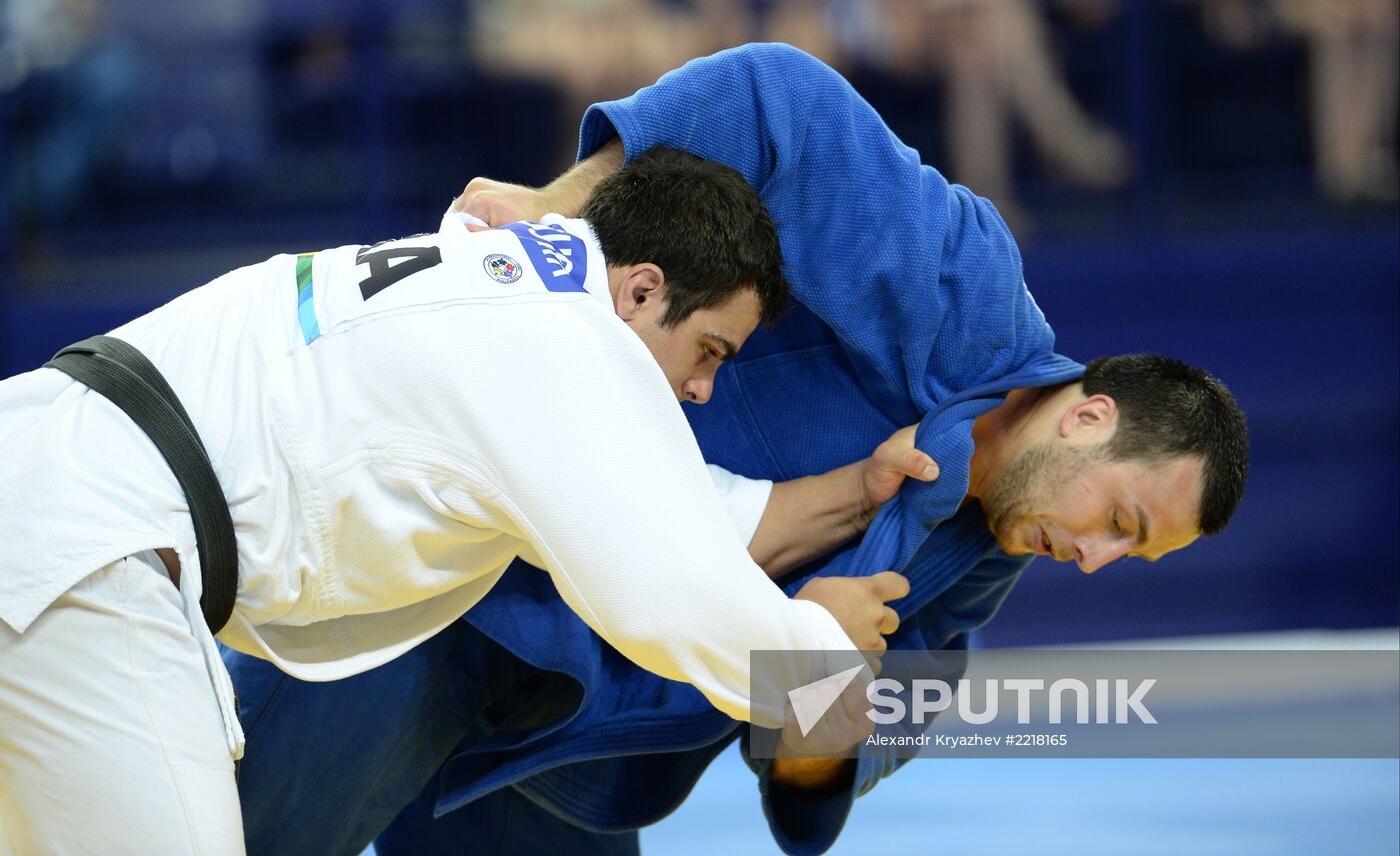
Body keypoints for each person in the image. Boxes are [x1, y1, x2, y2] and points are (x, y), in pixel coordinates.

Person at [226, 44, 1249, 856]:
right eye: (1120, 521)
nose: (1096, 560)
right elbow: (778, 104)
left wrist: (815, 714)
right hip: (439, 587)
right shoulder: (964, 296)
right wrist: (564, 209)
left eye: (1129, 553)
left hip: (549, 740)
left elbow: (812, 787)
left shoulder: (970, 571)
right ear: (1086, 416)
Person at [0, 146, 918, 856]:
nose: (703, 389)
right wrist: (817, 662)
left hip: (43, 475)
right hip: (88, 561)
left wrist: (862, 487)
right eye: (710, 350)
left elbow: (670, 512)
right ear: (644, 290)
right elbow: (672, 590)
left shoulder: (500, 270)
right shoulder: (562, 344)